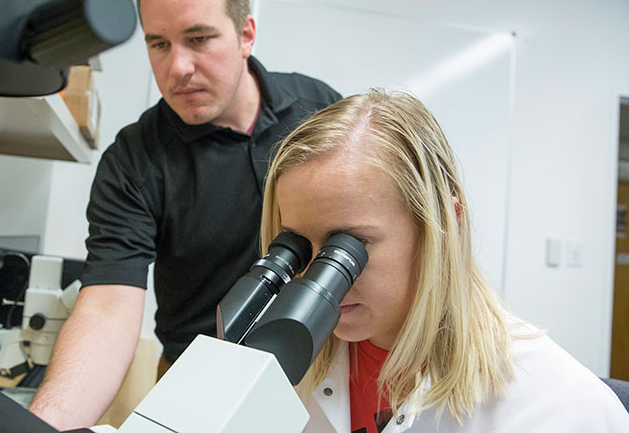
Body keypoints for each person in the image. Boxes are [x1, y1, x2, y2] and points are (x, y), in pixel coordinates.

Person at [28, 0, 342, 430]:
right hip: (197, 382)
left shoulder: (318, 109)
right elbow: (109, 307)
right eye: (159, 43)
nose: (176, 68)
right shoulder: (134, 160)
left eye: (198, 39)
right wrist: (44, 428)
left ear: (245, 34)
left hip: (328, 371)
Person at [259, 89, 629, 432]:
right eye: (300, 247)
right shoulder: (289, 368)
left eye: (350, 245)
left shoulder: (558, 405)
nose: (316, 278)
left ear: (444, 223)